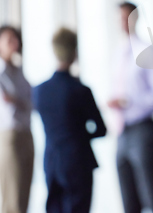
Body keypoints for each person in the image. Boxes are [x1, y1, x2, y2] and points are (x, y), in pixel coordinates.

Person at [33, 28, 106, 213]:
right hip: (77, 161)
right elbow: (101, 129)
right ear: (74, 52)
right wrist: (78, 134)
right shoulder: (80, 90)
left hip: (51, 160)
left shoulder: (39, 91)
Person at [108, 1, 153, 213]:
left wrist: (130, 103)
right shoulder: (118, 54)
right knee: (127, 198)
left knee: (150, 193)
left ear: (136, 19)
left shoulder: (148, 52)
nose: (122, 23)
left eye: (126, 17)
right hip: (122, 131)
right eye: (119, 18)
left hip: (142, 129)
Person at [0, 25, 33, 213]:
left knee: (24, 194)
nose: (14, 43)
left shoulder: (19, 70)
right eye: (8, 39)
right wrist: (19, 102)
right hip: (9, 136)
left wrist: (17, 101)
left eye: (15, 39)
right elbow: (8, 107)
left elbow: (29, 103)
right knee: (12, 199)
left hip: (26, 133)